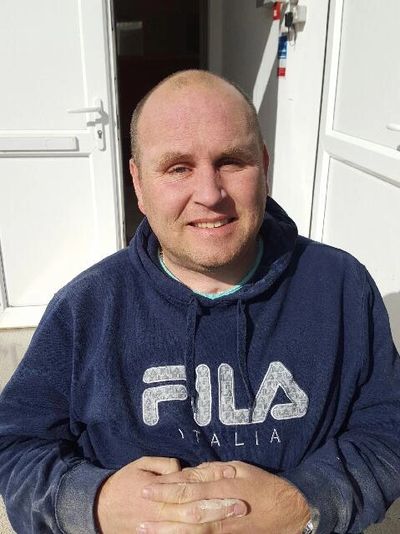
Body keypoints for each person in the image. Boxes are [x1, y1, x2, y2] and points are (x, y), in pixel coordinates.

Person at [0, 70, 399, 534]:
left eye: (231, 161)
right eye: (177, 168)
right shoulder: (85, 308)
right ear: (139, 182)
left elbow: (387, 429)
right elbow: (16, 446)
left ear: (263, 166)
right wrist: (94, 504)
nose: (209, 195)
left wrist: (305, 505)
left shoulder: (340, 287)